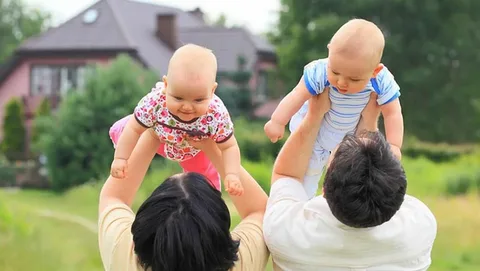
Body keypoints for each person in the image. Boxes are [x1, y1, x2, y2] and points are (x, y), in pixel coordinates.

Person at [263, 89, 437, 270]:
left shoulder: (287, 234)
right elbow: (381, 187)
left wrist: (313, 117)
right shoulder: (420, 227)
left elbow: (287, 176)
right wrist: (369, 122)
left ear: (324, 189)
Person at [264, 18, 404, 198]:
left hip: (349, 139)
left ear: (375, 71)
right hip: (316, 134)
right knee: (308, 172)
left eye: (354, 79)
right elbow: (296, 95)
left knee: (342, 177)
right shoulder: (320, 71)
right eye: (335, 72)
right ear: (329, 52)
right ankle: (302, 203)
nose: (341, 82)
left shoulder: (381, 80)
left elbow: (392, 113)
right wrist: (277, 121)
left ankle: (330, 205)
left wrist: (394, 145)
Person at [98, 128, 269, 271]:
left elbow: (114, 196)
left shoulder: (124, 258)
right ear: (221, 239)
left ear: (139, 241)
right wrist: (213, 149)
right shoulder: (241, 264)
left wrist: (153, 134)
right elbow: (260, 211)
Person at [109, 43, 243, 196]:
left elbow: (229, 147)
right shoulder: (155, 103)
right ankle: (120, 142)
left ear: (212, 91)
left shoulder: (216, 115)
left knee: (205, 184)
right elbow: (134, 129)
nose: (187, 107)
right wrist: (120, 158)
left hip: (194, 148)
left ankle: (205, 206)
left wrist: (232, 174)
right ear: (166, 85)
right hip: (159, 135)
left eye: (198, 100)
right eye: (178, 98)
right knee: (127, 129)